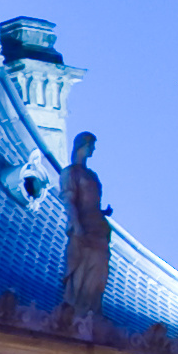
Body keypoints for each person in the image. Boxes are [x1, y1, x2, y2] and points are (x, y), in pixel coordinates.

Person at [59, 133, 115, 324]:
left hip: (98, 228)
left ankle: (93, 309)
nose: (93, 149)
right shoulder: (70, 173)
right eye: (91, 145)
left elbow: (90, 201)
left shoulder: (91, 175)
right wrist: (76, 226)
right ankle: (79, 310)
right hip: (83, 229)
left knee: (99, 269)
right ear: (82, 145)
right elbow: (69, 201)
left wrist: (102, 212)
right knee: (82, 268)